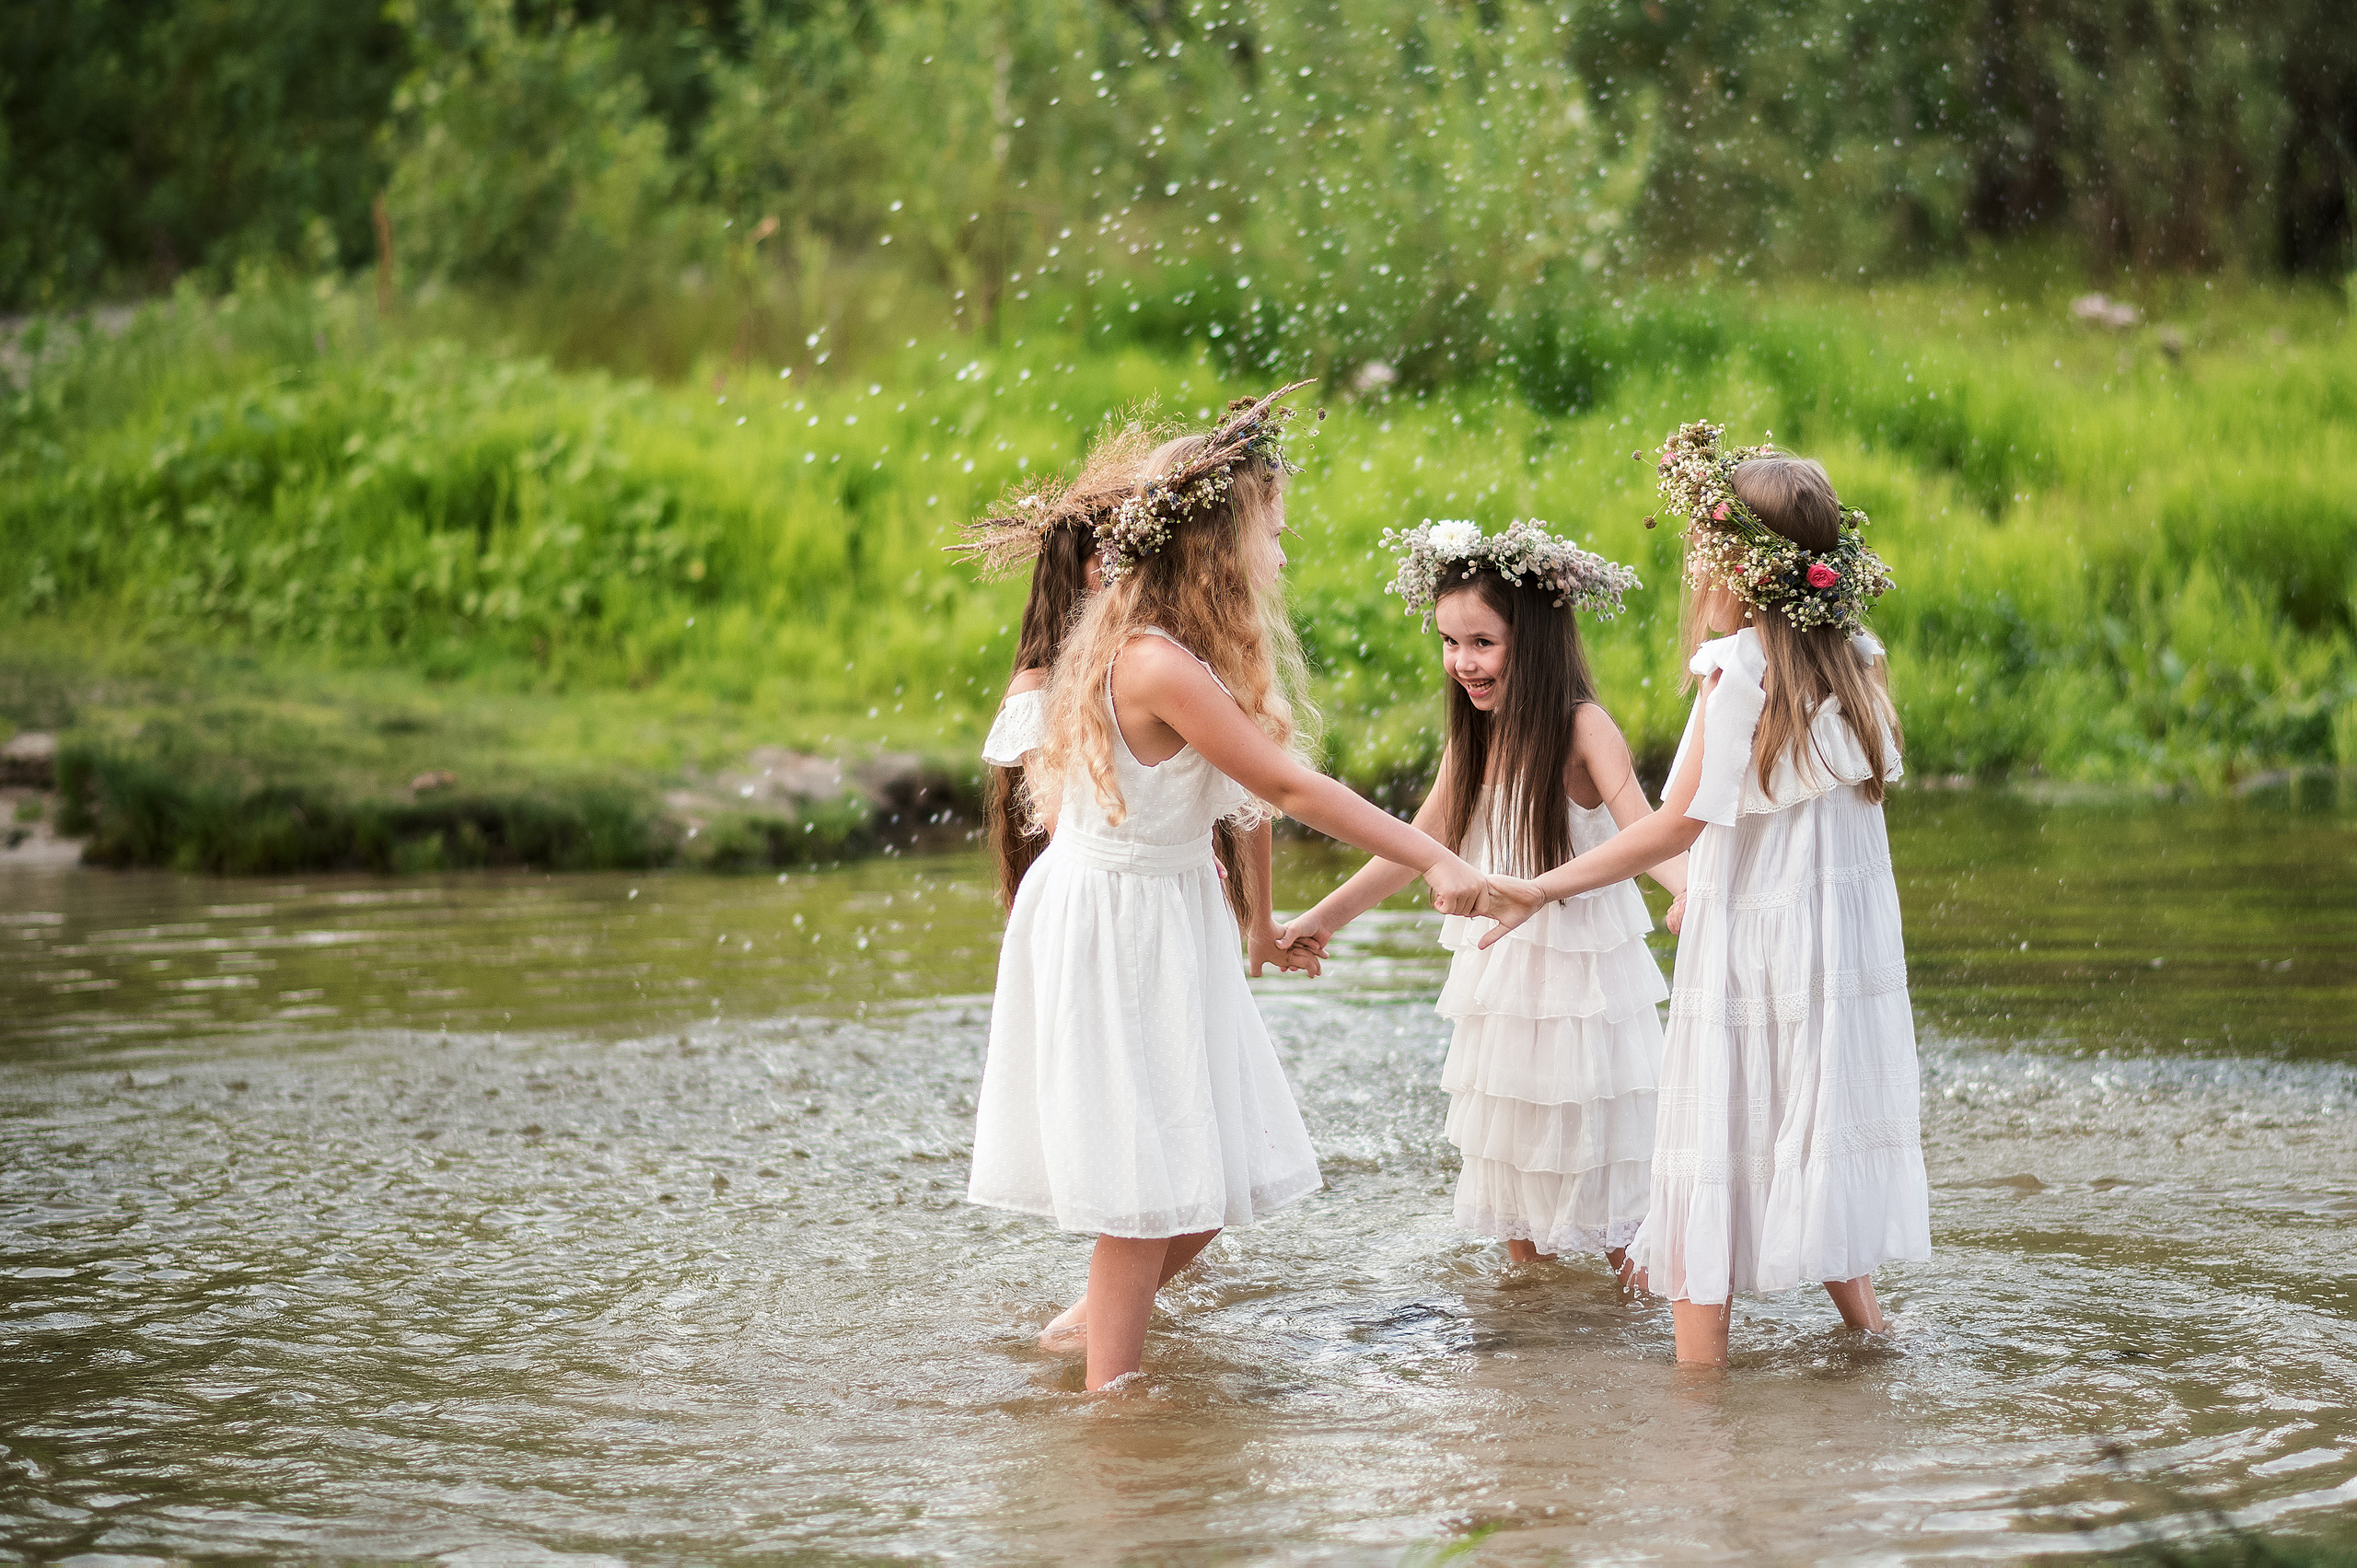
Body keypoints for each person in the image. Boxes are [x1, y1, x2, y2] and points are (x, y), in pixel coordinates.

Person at [965, 385, 1491, 1390]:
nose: (1282, 556)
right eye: (1272, 534)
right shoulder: (1152, 663)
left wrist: (1258, 924)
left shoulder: (1191, 655)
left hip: (1172, 911)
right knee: (1147, 1190)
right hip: (1120, 916)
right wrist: (1434, 857)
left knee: (1206, 1185)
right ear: (1218, 542)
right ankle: (1115, 1409)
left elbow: (1242, 804)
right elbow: (1288, 786)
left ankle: (1080, 1337)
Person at [1477, 424, 1930, 1365]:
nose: (1692, 566)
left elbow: (1672, 825)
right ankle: (1872, 1335)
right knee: (1809, 1120)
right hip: (1830, 963)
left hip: (1749, 957)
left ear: (1739, 568)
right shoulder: (1857, 665)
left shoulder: (1736, 674)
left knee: (1712, 1140)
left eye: (1702, 548)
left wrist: (1538, 887)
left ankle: (1697, 1393)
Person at [1279, 518, 1680, 1272]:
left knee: (1610, 1182)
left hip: (1584, 986)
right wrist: (1324, 918)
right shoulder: (1475, 738)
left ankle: (1643, 1326)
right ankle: (1528, 1330)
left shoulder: (1584, 728)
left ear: (1534, 639)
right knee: (1514, 1176)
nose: (1462, 661)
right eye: (1449, 641)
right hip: (1501, 986)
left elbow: (1648, 829)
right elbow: (1415, 847)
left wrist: (1691, 893)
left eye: (1483, 642)